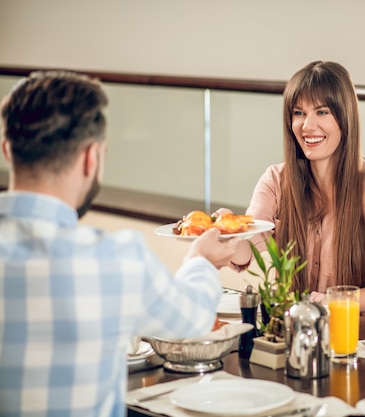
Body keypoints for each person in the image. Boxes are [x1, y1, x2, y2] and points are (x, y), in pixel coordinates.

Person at [0, 71, 238, 417]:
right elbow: (194, 319)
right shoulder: (116, 260)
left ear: (7, 150)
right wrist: (200, 261)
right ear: (91, 158)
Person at [223, 61, 365, 325]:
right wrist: (228, 234)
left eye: (322, 112)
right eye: (299, 113)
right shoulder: (275, 181)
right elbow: (247, 251)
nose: (307, 125)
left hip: (364, 340)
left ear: (345, 117)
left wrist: (339, 301)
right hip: (300, 335)